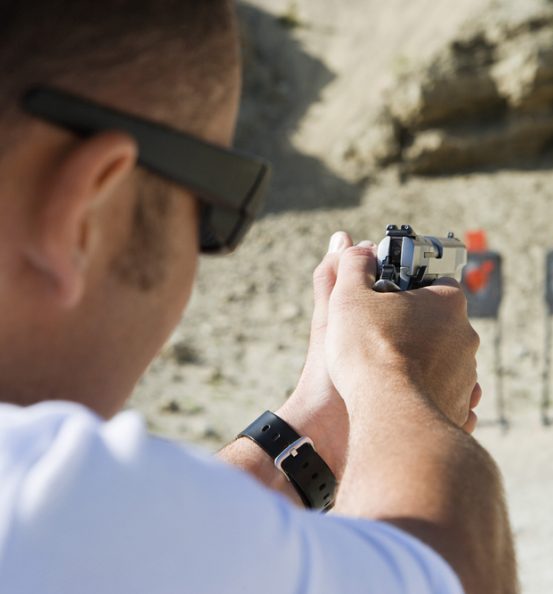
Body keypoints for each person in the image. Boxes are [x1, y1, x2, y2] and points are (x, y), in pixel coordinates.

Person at [0, 2, 517, 593]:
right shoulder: (42, 504)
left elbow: (158, 552)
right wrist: (398, 377)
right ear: (83, 215)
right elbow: (451, 574)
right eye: (217, 210)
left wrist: (316, 427)